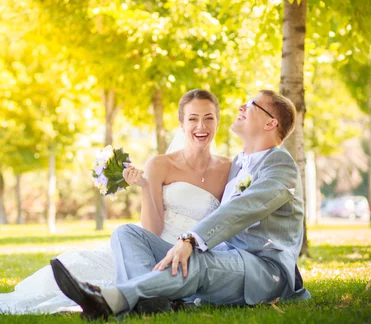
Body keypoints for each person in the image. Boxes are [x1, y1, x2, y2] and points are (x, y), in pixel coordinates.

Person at [0, 89, 231, 314]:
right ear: (181, 125)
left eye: (208, 118)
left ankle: (152, 296)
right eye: (193, 118)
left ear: (218, 121)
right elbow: (151, 231)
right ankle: (152, 295)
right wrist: (145, 187)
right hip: (152, 248)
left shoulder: (229, 169)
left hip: (192, 254)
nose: (201, 126)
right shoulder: (160, 164)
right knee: (75, 264)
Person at [51, 90, 311, 320]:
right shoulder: (240, 164)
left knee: (197, 261)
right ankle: (155, 302)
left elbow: (243, 208)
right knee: (126, 233)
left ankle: (109, 300)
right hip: (225, 257)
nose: (241, 108)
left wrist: (190, 239)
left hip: (263, 269)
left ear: (271, 122)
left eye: (250, 104)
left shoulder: (280, 165)